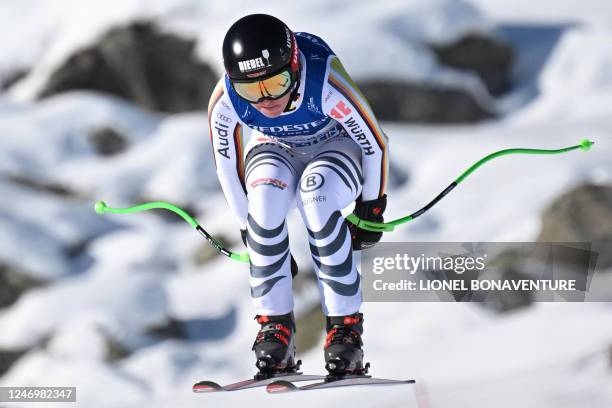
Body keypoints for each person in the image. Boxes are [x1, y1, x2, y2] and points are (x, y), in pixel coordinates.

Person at [208, 13, 389, 378]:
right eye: (251, 90)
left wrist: (372, 207)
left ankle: (345, 330)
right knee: (262, 201)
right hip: (275, 148)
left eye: (276, 83)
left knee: (317, 196)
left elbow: (375, 144)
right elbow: (226, 167)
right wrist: (254, 236)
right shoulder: (226, 98)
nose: (266, 100)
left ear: (294, 66)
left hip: (335, 145)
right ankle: (275, 331)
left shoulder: (324, 81)